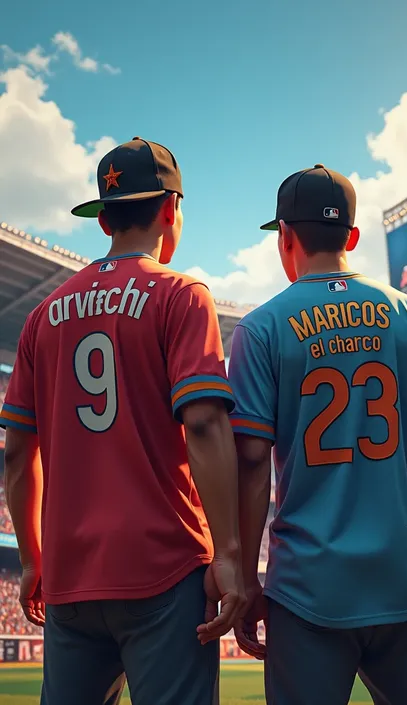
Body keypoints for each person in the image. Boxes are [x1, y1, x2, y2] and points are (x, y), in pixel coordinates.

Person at [0, 137, 245, 705]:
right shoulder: (181, 295)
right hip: (164, 567)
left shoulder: (42, 316)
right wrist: (230, 554)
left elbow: (16, 452)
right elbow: (205, 424)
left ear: (103, 219)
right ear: (170, 209)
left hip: (70, 577)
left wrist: (34, 559)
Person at [228, 164, 407, 705]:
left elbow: (249, 462)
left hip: (306, 589)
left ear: (285, 238)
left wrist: (246, 580)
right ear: (353, 238)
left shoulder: (260, 329)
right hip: (406, 580)